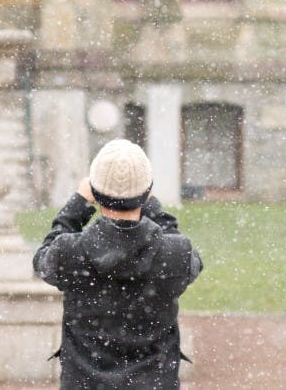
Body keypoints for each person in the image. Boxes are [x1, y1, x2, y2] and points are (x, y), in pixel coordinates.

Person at [33, 139, 202, 389]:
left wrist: (77, 204)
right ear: (146, 192)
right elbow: (184, 252)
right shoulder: (174, 254)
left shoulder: (69, 252)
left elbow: (42, 259)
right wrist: (152, 205)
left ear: (95, 192)